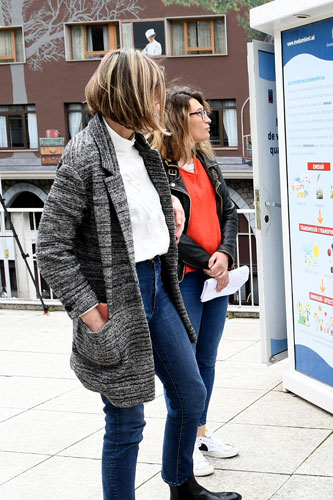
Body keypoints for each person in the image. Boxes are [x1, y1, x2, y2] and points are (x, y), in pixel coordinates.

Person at [36, 49, 240, 500]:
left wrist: (171, 212)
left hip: (159, 289)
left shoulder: (142, 149)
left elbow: (142, 220)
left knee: (190, 393)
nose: (159, 98)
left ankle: (180, 486)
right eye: (153, 89)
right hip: (116, 299)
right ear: (130, 94)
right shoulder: (84, 154)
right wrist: (90, 313)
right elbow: (50, 247)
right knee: (127, 422)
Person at [157, 86, 240, 477]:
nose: (208, 119)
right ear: (178, 120)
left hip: (214, 279)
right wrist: (205, 260)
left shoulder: (209, 163)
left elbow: (231, 212)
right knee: (186, 367)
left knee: (206, 359)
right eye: (199, 113)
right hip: (186, 279)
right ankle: (185, 444)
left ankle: (201, 432)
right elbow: (167, 228)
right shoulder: (160, 169)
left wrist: (224, 253)